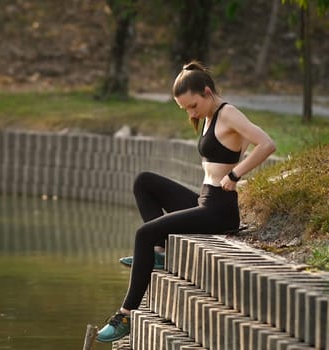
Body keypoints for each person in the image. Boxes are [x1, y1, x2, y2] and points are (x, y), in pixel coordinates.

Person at [95, 61, 276, 343]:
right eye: (186, 109)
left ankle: (126, 314)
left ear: (206, 92)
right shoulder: (208, 114)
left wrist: (236, 174)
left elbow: (267, 143)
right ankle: (159, 252)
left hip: (219, 210)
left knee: (144, 233)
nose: (192, 113)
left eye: (193, 106)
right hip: (205, 200)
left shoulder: (228, 113)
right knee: (144, 181)